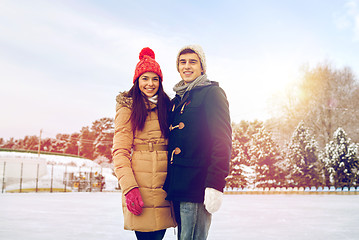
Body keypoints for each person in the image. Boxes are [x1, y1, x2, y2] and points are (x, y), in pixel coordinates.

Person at [163, 44, 232, 240]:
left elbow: (222, 140)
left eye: (193, 62)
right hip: (178, 186)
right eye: (182, 62)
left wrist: (215, 184)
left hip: (197, 185)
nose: (187, 66)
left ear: (202, 67)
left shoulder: (212, 93)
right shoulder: (179, 99)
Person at [112, 47, 176, 240]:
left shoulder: (168, 106)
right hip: (140, 184)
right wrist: (129, 188)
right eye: (145, 78)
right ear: (137, 80)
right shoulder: (128, 107)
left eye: (155, 79)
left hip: (165, 184)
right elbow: (120, 152)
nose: (150, 84)